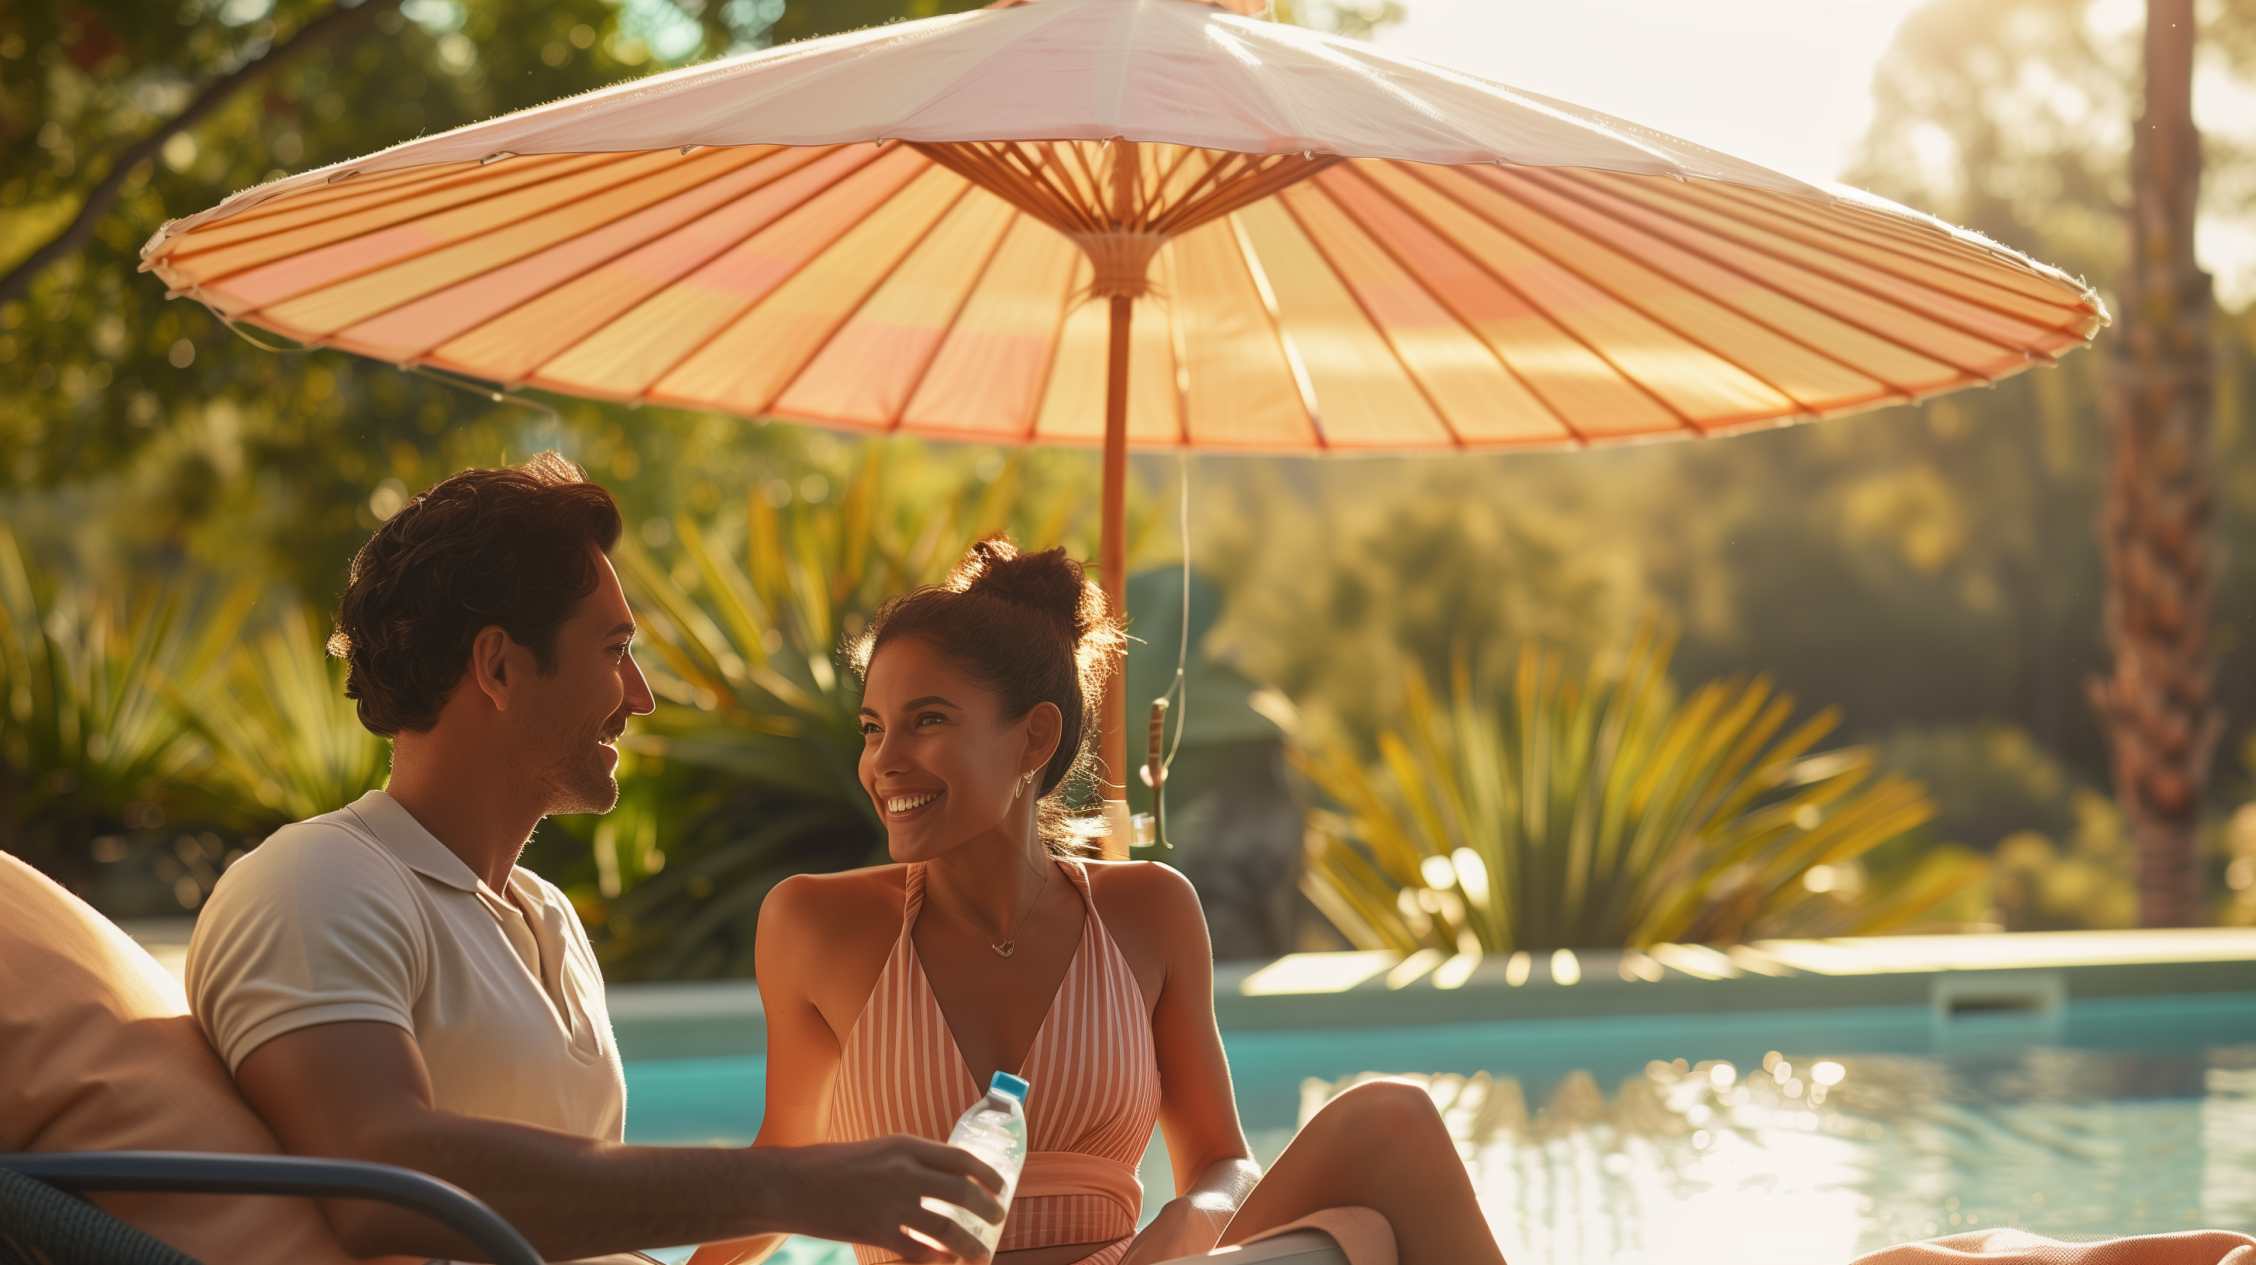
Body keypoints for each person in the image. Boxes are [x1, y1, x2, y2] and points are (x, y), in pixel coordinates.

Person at [185, 454, 1004, 1265]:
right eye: (614, 650)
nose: (641, 695)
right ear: (499, 667)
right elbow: (383, 1182)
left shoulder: (546, 915)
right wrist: (793, 1186)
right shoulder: (317, 881)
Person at [690, 537, 1510, 1265]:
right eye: (873, 728)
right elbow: (781, 1173)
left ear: (1035, 737)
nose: (884, 761)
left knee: (1393, 1120)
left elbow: (1223, 1162)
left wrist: (1189, 1216)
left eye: (926, 721)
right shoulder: (815, 924)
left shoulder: (1149, 912)